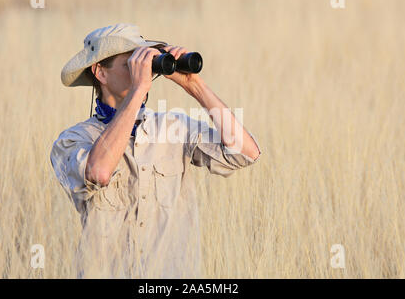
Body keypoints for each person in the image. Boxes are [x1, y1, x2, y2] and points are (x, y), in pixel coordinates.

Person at [50, 23, 262, 278]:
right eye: (131, 62)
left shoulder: (173, 127)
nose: (142, 70)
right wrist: (138, 91)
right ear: (100, 73)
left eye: (145, 60)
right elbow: (99, 172)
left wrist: (194, 85)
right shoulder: (74, 140)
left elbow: (246, 153)